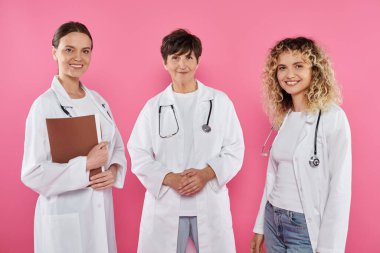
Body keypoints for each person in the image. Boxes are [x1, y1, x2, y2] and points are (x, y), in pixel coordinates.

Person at [127, 29, 244, 253]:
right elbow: (138, 152)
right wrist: (168, 178)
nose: (182, 64)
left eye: (189, 57)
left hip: (209, 203)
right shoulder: (154, 107)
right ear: (165, 63)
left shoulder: (219, 102)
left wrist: (205, 175)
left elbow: (235, 148)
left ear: (197, 61)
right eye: (175, 58)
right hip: (166, 205)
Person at [21, 21, 127, 253]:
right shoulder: (44, 106)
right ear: (54, 52)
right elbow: (32, 173)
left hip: (100, 212)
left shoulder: (98, 101)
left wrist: (114, 171)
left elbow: (116, 146)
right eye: (69, 49)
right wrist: (85, 165)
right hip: (64, 216)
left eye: (85, 51)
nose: (78, 57)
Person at [250, 37, 351, 253]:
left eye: (299, 66)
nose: (289, 75)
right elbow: (272, 178)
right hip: (273, 218)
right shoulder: (285, 117)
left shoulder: (332, 117)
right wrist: (260, 226)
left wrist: (329, 248)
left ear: (314, 70)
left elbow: (340, 187)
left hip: (303, 225)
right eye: (282, 68)